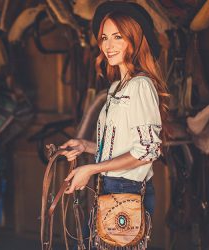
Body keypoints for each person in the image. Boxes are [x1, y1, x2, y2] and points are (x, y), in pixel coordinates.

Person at [60, 1, 169, 218]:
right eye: (104, 38)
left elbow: (148, 151)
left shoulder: (140, 85)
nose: (108, 45)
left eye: (117, 37)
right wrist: (86, 145)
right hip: (111, 186)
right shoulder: (115, 88)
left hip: (126, 189)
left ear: (134, 40)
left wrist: (91, 169)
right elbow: (120, 145)